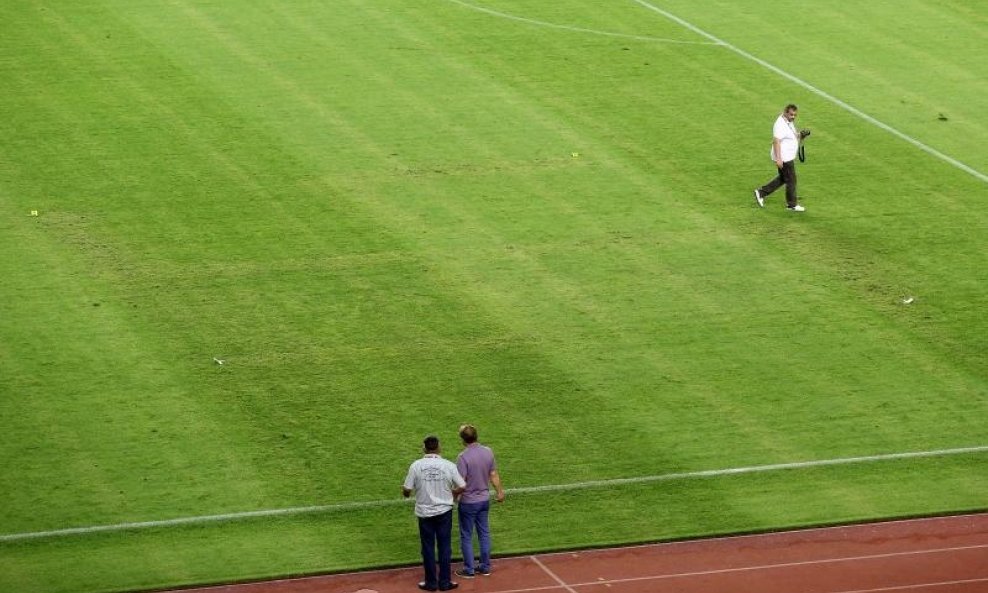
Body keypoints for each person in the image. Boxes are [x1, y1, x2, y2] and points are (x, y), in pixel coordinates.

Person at [403, 435, 466, 592]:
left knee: (428, 548)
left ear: (424, 448)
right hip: (444, 512)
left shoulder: (416, 466)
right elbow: (463, 485)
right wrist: (452, 493)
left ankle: (431, 583)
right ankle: (445, 583)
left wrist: (407, 491)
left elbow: (407, 490)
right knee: (445, 547)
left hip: (424, 512)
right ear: (439, 448)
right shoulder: (448, 465)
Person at [454, 424, 506, 578]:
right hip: (484, 500)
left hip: (468, 502)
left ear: (463, 440)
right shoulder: (488, 452)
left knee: (466, 535)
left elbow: (461, 483)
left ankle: (469, 569)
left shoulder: (463, 457)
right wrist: (500, 492)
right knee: (484, 533)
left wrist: (453, 496)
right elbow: (494, 474)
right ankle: (485, 566)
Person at [754, 104, 806, 212]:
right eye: (791, 114)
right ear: (785, 112)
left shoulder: (788, 122)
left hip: (786, 156)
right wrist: (779, 158)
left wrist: (801, 135)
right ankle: (792, 205)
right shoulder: (780, 124)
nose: (793, 117)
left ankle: (761, 192)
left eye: (795, 115)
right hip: (784, 157)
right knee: (791, 180)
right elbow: (776, 141)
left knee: (784, 178)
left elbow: (792, 136)